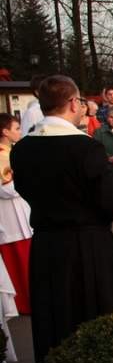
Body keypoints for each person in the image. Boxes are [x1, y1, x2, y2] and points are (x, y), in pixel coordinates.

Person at [10, 75, 113, 363]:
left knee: (55, 318)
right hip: (88, 245)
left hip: (46, 245)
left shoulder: (21, 149)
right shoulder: (85, 148)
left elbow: (24, 189)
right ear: (74, 103)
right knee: (95, 317)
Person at [0, 114, 32, 314]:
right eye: (16, 128)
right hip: (9, 217)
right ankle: (24, 304)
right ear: (5, 132)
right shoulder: (2, 155)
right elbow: (7, 189)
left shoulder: (10, 151)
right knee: (18, 263)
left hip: (19, 212)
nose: (20, 132)